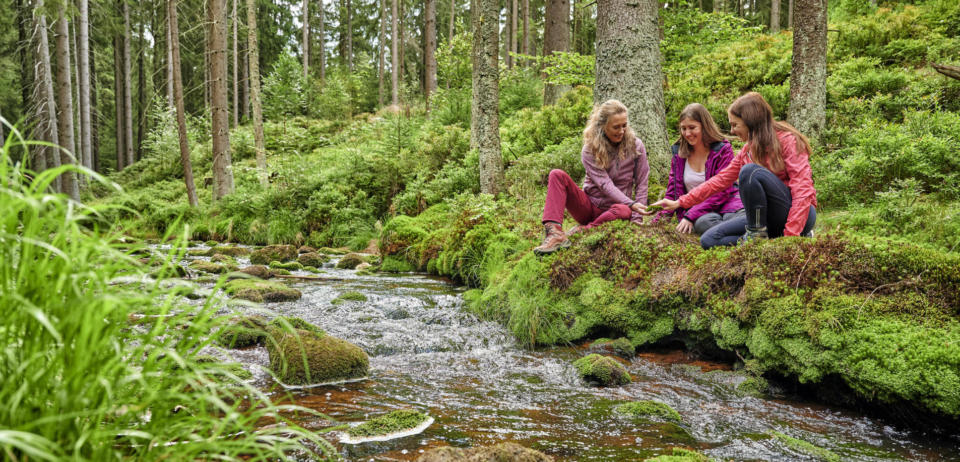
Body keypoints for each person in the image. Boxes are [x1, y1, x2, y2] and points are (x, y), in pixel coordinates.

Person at [652, 92, 817, 249]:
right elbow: (719, 180)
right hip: (766, 218)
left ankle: (759, 236)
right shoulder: (747, 150)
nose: (732, 131)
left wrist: (791, 235)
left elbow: (802, 191)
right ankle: (764, 239)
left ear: (750, 122)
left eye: (735, 125)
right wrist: (680, 202)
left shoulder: (788, 141)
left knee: (750, 172)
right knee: (708, 240)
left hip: (797, 214)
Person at [533, 99, 650, 255]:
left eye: (624, 125)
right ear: (602, 126)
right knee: (556, 174)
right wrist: (631, 203)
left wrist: (637, 220)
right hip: (589, 206)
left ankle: (581, 232)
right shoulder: (590, 149)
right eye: (616, 127)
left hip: (615, 211)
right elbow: (604, 184)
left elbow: (642, 182)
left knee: (624, 210)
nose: (621, 131)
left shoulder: (636, 146)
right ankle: (554, 232)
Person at [655, 103, 743, 235]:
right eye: (683, 128)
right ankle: (735, 235)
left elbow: (723, 191)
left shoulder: (723, 150)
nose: (687, 133)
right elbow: (672, 193)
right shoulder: (679, 154)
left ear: (704, 126)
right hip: (702, 212)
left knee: (736, 218)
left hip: (728, 203)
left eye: (692, 127)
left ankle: (739, 233)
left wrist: (690, 215)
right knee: (703, 223)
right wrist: (657, 221)